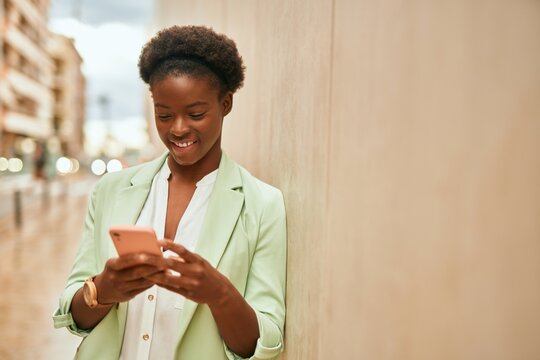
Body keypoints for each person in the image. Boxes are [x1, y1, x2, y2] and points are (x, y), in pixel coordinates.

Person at [53, 25, 287, 360]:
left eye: (196, 114)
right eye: (164, 115)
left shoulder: (263, 204)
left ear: (226, 104)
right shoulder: (111, 191)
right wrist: (102, 290)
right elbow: (72, 314)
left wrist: (219, 294)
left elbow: (264, 343)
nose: (178, 128)